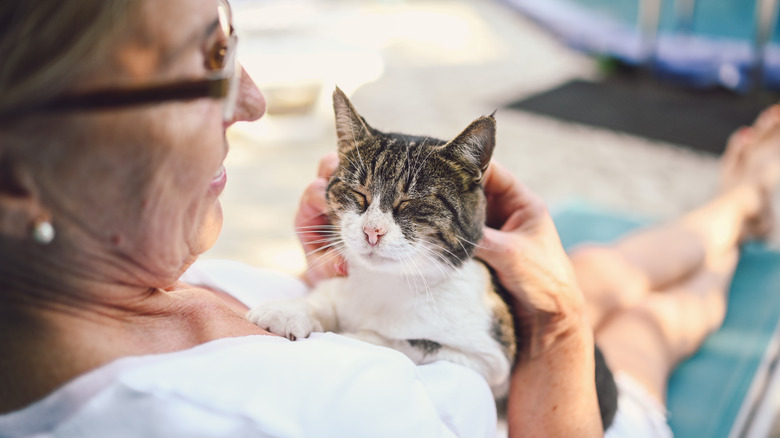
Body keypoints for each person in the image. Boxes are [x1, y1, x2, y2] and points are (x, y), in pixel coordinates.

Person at [0, 0, 777, 437]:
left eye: (233, 45)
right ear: (18, 178)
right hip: (577, 411)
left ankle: (729, 204)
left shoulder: (92, 276)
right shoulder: (319, 416)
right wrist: (565, 323)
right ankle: (739, 215)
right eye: (203, 65)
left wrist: (328, 281)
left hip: (436, 310)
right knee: (646, 328)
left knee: (606, 268)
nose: (254, 101)